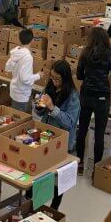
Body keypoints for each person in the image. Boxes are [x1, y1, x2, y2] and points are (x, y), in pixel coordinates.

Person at [29, 60, 80, 211]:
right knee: (39, 174)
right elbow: (40, 112)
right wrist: (39, 106)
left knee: (58, 180)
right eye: (52, 77)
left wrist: (52, 107)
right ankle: (31, 205)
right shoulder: (49, 87)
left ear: (65, 78)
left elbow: (70, 123)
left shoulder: (73, 96)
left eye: (57, 79)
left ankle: (53, 209)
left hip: (61, 144)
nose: (54, 81)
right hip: (45, 138)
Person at [76, 27, 111, 174]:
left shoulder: (85, 53)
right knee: (99, 134)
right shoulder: (110, 55)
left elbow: (79, 76)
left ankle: (80, 164)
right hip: (102, 98)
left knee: (82, 130)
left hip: (86, 95)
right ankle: (96, 169)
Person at [6, 29, 42, 112]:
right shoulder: (27, 57)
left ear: (19, 40)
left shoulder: (16, 52)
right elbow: (25, 78)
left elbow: (7, 67)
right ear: (32, 40)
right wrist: (38, 76)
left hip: (14, 90)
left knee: (16, 114)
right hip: (22, 94)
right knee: (21, 118)